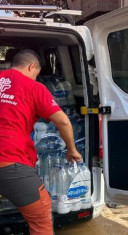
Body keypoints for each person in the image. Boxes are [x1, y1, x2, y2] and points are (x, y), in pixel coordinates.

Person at [0, 49, 82, 234]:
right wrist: (71, 149)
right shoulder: (34, 88)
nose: (36, 78)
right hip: (10, 161)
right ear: (31, 67)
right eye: (36, 74)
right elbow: (62, 121)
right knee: (41, 215)